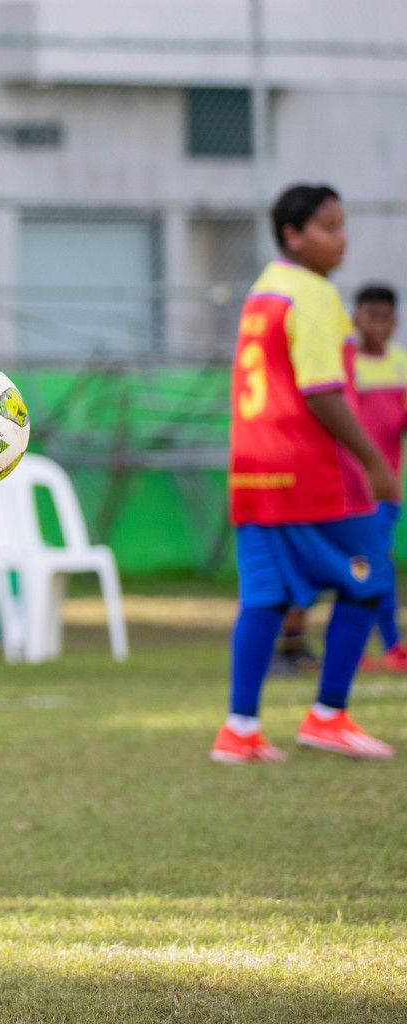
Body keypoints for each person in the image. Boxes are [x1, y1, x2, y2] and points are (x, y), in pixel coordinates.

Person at [213, 183, 398, 763]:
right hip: (309, 475)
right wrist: (373, 461)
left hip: (253, 472)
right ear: (292, 234)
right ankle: (328, 715)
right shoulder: (312, 295)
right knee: (368, 579)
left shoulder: (263, 291)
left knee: (264, 598)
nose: (340, 239)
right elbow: (321, 390)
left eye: (342, 226)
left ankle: (239, 728)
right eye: (327, 226)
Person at [351, 284, 407, 671]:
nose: (379, 325)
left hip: (385, 488)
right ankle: (375, 645)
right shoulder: (345, 365)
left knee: (376, 565)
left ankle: (388, 646)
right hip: (350, 488)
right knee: (364, 566)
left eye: (386, 317)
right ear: (357, 318)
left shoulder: (400, 363)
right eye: (371, 316)